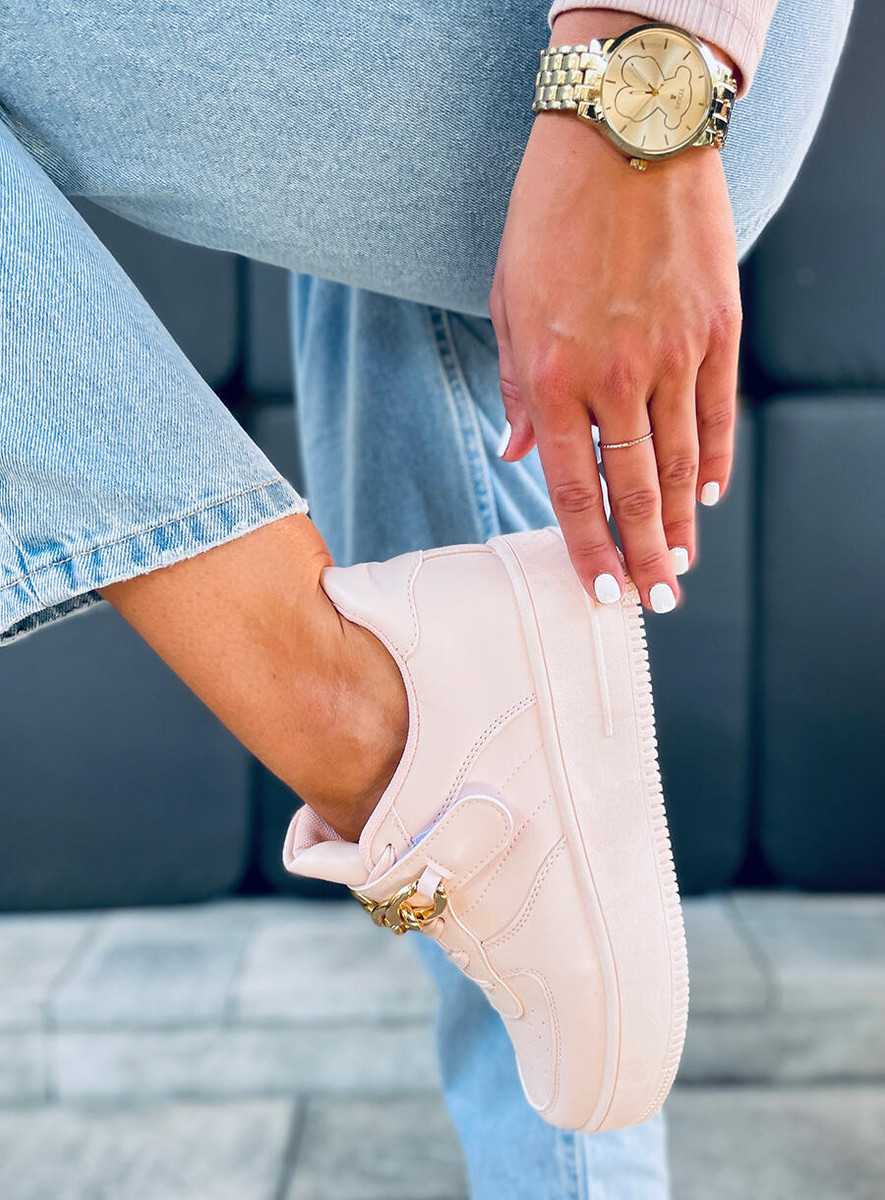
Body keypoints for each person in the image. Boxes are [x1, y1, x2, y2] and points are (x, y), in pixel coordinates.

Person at [0, 1, 853, 1196]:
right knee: (547, 929)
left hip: (652, 66)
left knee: (474, 783)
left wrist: (638, 83)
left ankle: (357, 717)